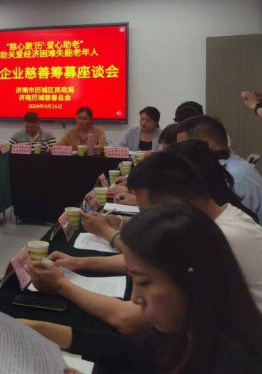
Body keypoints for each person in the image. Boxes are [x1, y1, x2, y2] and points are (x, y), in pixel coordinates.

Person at [31, 147, 262, 335]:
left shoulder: (220, 238)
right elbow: (150, 264)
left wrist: (61, 285)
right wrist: (78, 263)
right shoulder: (218, 219)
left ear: (176, 203)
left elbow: (129, 319)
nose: (145, 221)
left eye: (148, 213)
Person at [20, 203, 262, 373]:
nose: (135, 297)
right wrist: (41, 330)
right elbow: (139, 350)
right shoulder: (188, 331)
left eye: (144, 282)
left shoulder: (235, 363)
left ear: (191, 280)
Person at [176, 115, 262, 220]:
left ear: (206, 145)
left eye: (183, 147)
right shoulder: (232, 165)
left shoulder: (231, 178)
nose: (180, 153)